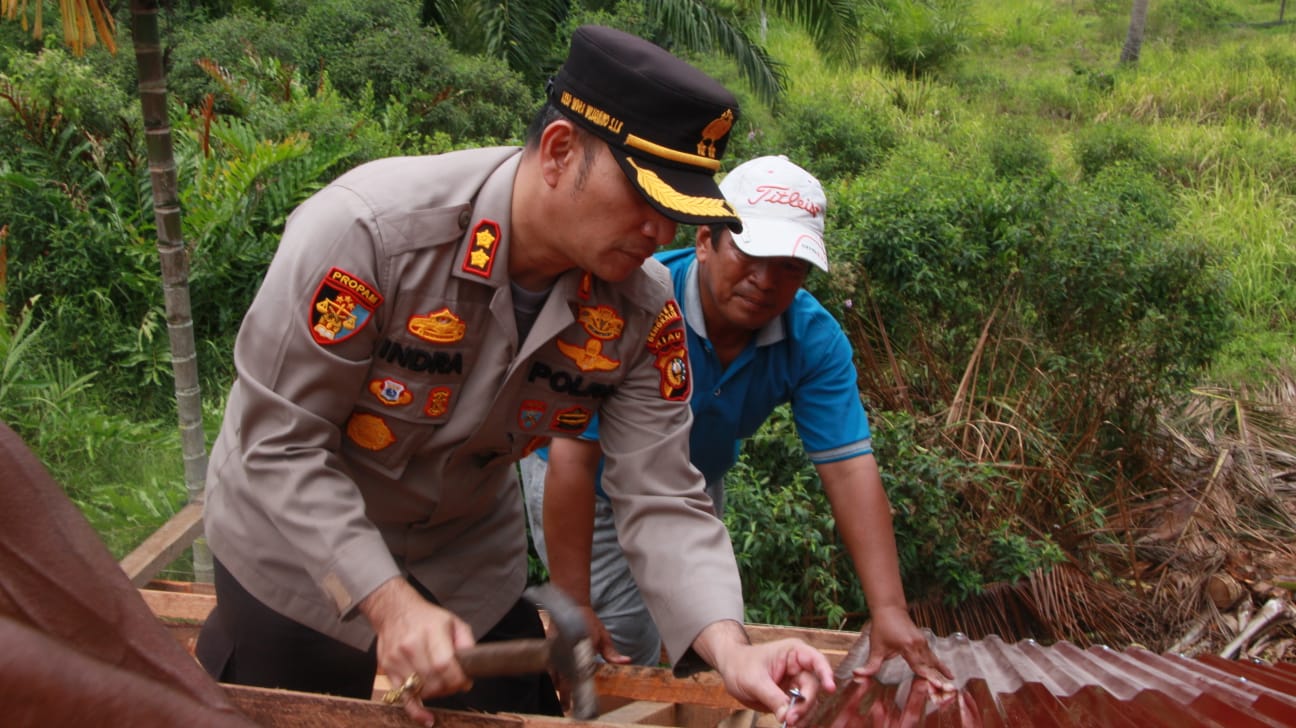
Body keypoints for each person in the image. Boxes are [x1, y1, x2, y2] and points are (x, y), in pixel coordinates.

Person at [194, 25, 835, 728]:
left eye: (677, 211)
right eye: (646, 199)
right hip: (297, 566)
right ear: (561, 151)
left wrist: (730, 648)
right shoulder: (372, 237)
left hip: (463, 565)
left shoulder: (642, 312)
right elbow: (279, 446)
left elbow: (661, 494)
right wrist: (387, 600)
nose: (661, 233)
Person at [521, 155, 956, 690]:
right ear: (705, 241)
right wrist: (574, 603)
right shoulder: (630, 308)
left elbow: (849, 469)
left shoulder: (811, 340)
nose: (765, 281)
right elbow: (572, 454)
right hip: (585, 481)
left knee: (705, 631)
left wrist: (888, 608)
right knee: (621, 640)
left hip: (693, 483)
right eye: (750, 252)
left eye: (789, 267)